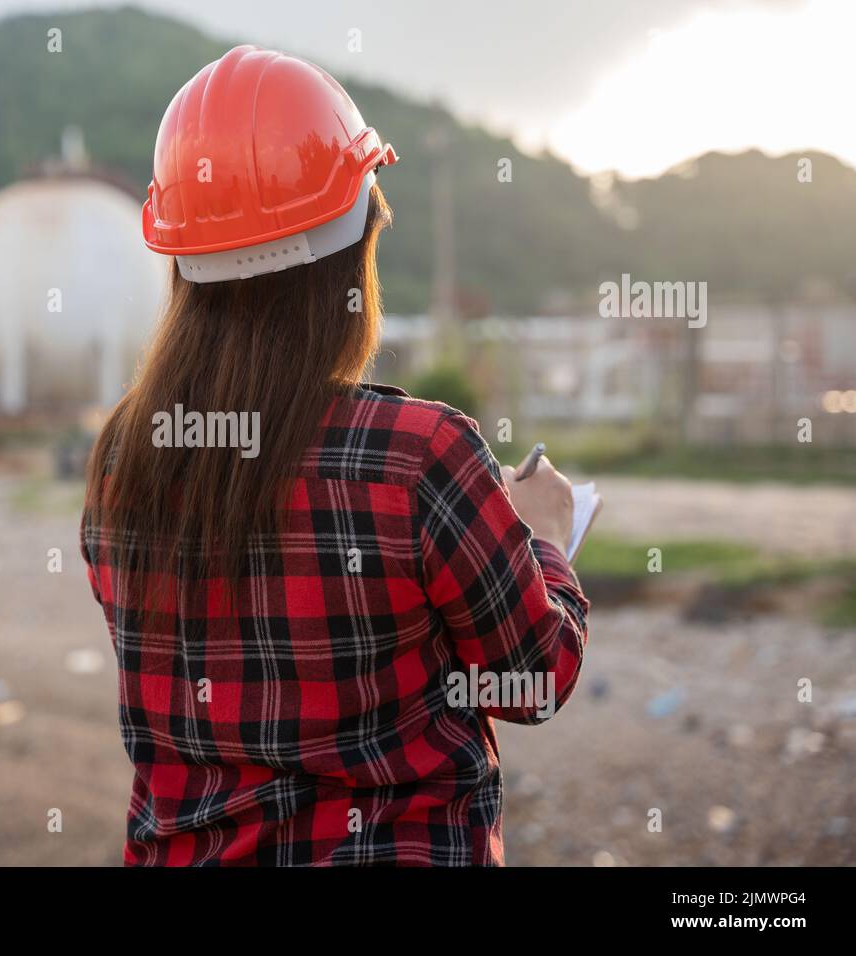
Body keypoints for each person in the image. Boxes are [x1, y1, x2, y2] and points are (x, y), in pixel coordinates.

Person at [81, 45, 588, 866]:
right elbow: (533, 679)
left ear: (181, 263)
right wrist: (546, 541)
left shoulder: (124, 458)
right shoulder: (421, 456)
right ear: (354, 254)